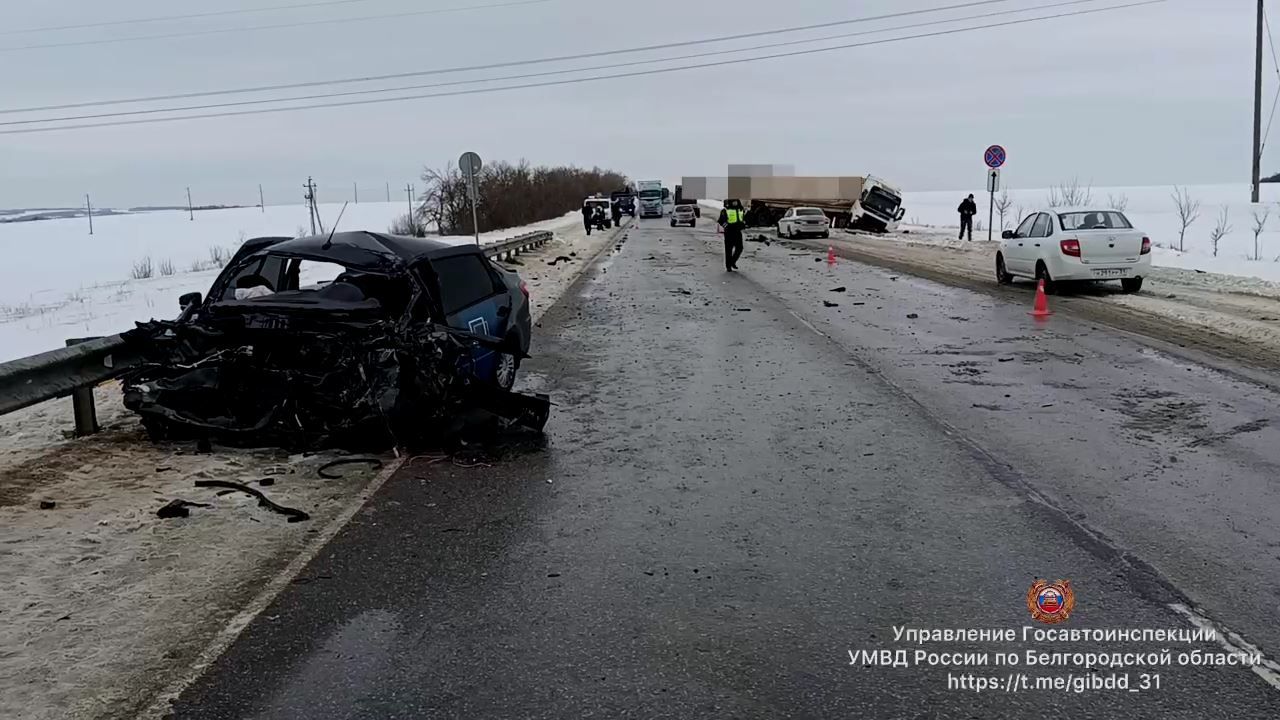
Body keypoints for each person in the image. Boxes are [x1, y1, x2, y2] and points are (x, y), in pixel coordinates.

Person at [717, 199, 746, 271]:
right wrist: (726, 226)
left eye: (736, 202)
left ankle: (733, 262)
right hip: (729, 232)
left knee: (740, 248)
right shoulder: (725, 210)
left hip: (738, 231)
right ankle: (728, 266)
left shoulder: (740, 209)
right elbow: (721, 221)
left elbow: (743, 218)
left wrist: (743, 224)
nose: (735, 203)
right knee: (728, 250)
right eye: (734, 202)